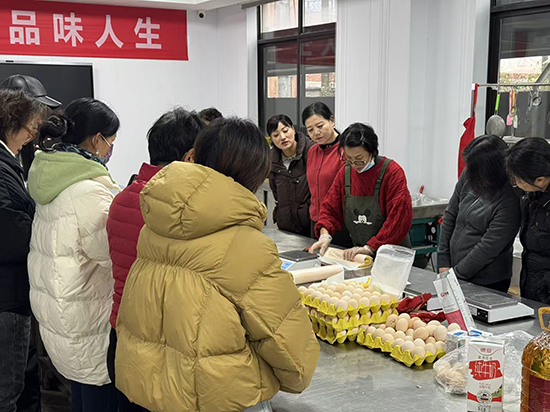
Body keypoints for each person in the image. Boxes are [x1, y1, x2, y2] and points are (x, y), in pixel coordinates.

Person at [115, 118, 319, 412]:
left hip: (157, 388)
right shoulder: (246, 245)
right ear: (254, 173)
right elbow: (291, 350)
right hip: (221, 395)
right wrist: (293, 378)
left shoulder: (157, 224)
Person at [106, 108, 204, 411]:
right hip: (161, 348)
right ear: (190, 157)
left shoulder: (123, 198)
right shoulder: (179, 208)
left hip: (122, 337)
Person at [27, 98, 121, 412]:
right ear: (97, 139)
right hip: (89, 320)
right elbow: (112, 255)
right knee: (98, 397)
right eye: (111, 141)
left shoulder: (50, 177)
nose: (110, 149)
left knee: (81, 395)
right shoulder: (88, 191)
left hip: (64, 318)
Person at [0, 89, 45, 412]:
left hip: (9, 294)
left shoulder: (9, 163)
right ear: (11, 124)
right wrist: (44, 227)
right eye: (31, 128)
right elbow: (10, 236)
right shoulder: (2, 169)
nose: (32, 137)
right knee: (7, 391)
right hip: (8, 297)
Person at [309, 123, 412, 259]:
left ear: (372, 152)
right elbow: (330, 209)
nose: (354, 165)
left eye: (359, 160)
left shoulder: (392, 173)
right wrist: (324, 234)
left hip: (392, 256)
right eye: (348, 159)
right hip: (360, 255)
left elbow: (399, 220)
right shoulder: (345, 173)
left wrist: (370, 247)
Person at [438, 135, 521, 293]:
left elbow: (488, 247)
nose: (469, 172)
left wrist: (456, 275)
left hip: (487, 281)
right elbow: (450, 216)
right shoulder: (470, 175)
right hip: (453, 272)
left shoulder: (510, 197)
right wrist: (443, 261)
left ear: (491, 169)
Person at [507, 137, 550, 304]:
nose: (516, 184)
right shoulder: (532, 195)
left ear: (540, 179)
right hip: (531, 282)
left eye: (519, 180)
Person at [302, 102, 352, 247]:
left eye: (320, 126)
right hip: (316, 221)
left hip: (340, 222)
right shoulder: (312, 151)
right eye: (310, 130)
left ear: (332, 120)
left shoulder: (346, 151)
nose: (316, 133)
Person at [0, 75, 62, 180]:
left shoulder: (24, 153)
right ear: (13, 120)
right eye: (33, 126)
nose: (30, 137)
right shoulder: (3, 169)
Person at [267, 114, 314, 236]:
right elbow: (275, 192)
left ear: (293, 129)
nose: (282, 137)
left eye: (285, 131)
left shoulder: (311, 151)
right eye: (276, 135)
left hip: (311, 226)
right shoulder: (271, 159)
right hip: (285, 226)